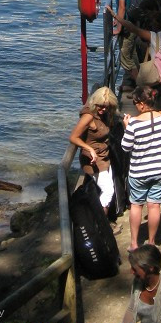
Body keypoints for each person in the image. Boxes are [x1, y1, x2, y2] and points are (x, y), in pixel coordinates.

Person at [119, 84, 161, 251]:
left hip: (138, 172)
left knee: (136, 205)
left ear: (141, 104)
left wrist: (126, 127)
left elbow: (125, 147)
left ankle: (134, 244)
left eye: (134, 103)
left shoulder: (134, 124)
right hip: (160, 171)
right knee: (154, 205)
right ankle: (152, 242)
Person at [107, 7, 161, 120]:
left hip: (158, 79)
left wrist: (115, 15)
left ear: (156, 25)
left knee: (157, 106)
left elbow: (132, 28)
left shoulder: (153, 36)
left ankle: (160, 130)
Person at [69, 86, 121, 226]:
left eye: (106, 107)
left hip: (104, 156)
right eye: (100, 107)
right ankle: (100, 223)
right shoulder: (88, 116)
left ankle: (99, 220)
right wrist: (88, 148)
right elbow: (74, 137)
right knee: (108, 191)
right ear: (94, 103)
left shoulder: (105, 114)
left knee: (105, 189)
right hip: (94, 160)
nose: (103, 110)